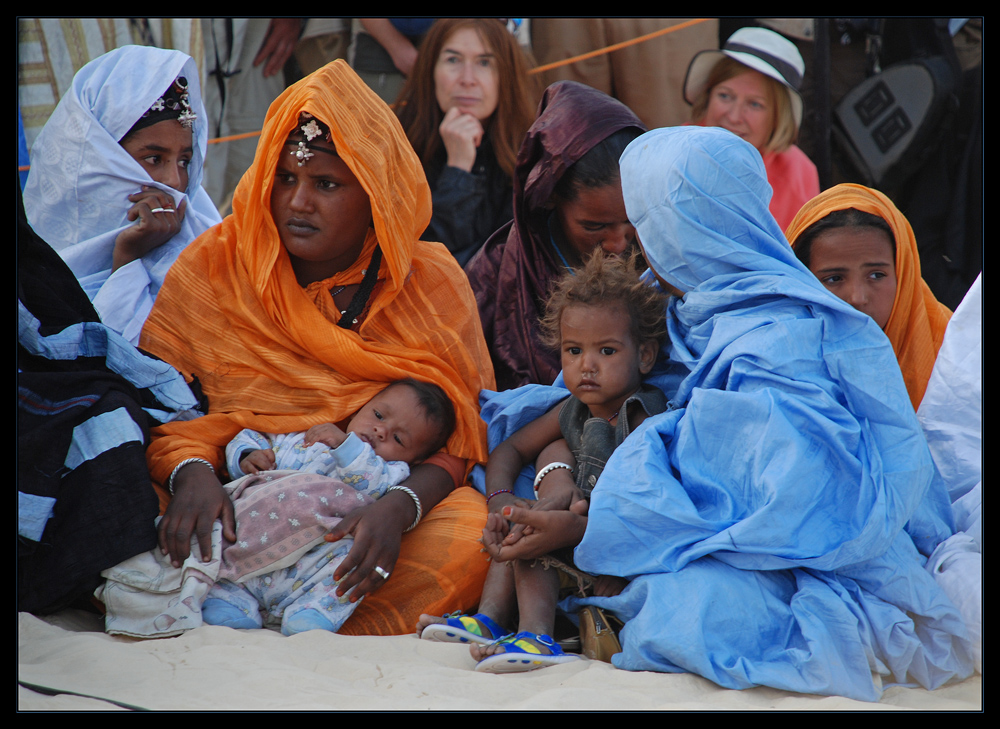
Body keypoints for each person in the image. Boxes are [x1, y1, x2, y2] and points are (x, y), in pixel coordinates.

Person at [471, 127, 972, 700]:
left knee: (691, 613)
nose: (637, 244)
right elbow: (570, 413)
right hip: (628, 511)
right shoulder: (664, 300)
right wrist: (555, 475)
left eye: (650, 228)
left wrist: (591, 521)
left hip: (775, 547)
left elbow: (787, 492)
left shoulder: (785, 330)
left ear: (689, 230)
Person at [138, 60, 496, 637]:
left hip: (366, 511)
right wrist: (190, 474)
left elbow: (461, 438)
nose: (297, 202)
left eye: (326, 184)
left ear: (376, 192)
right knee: (125, 503)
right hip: (239, 494)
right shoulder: (218, 264)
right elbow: (158, 402)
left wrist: (399, 505)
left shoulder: (429, 283)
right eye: (284, 178)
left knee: (468, 536)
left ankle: (308, 606)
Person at [418, 252, 668, 672]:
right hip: (567, 534)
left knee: (538, 538)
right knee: (524, 527)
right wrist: (500, 501)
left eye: (606, 350)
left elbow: (651, 502)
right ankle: (489, 620)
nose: (586, 366)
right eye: (573, 350)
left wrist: (617, 559)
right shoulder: (571, 410)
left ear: (644, 356)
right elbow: (510, 450)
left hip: (613, 542)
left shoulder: (645, 416)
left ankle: (539, 636)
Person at [201, 379, 456, 635]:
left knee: (353, 555)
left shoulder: (390, 471)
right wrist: (247, 455)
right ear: (358, 410)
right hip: (251, 540)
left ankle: (312, 612)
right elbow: (251, 434)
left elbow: (370, 485)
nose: (381, 430)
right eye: (378, 415)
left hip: (312, 557)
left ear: (415, 459)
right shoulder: (303, 435)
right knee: (222, 539)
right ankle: (231, 602)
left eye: (399, 438)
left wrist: (345, 445)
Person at [23, 45, 221, 346]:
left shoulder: (208, 247)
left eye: (184, 161)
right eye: (154, 158)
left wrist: (129, 263)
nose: (175, 181)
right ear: (98, 159)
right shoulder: (30, 264)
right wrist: (128, 261)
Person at [466, 81, 647, 391]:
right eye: (594, 227)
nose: (618, 244)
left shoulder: (665, 264)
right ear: (547, 196)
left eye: (633, 223)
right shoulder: (496, 276)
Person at [786, 183, 952, 410]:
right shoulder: (770, 366)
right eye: (833, 279)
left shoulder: (955, 358)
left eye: (876, 275)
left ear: (903, 274)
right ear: (800, 280)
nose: (857, 298)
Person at [395, 18, 536, 265]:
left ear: (506, 74)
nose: (467, 79)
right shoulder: (397, 148)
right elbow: (425, 258)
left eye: (484, 63)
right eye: (453, 60)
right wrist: (458, 168)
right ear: (430, 70)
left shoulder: (532, 151)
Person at [684, 26, 819, 230]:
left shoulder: (799, 173)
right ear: (707, 95)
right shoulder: (674, 150)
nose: (734, 116)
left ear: (777, 118)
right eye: (725, 95)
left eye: (755, 104)